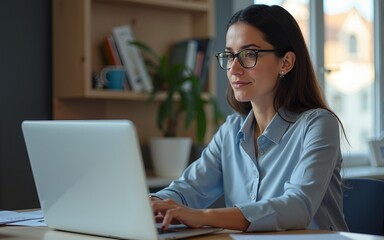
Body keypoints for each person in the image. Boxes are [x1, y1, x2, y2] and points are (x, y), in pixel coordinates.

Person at [150, 4, 349, 232]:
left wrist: (202, 216)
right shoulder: (232, 129)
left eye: (249, 54)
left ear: (285, 63)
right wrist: (153, 203)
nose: (234, 68)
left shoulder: (318, 124)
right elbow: (189, 189)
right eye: (229, 55)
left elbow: (297, 207)